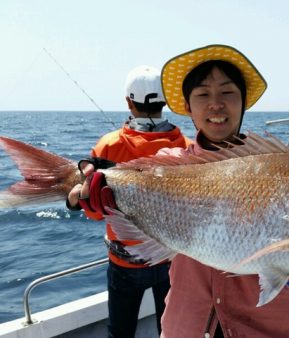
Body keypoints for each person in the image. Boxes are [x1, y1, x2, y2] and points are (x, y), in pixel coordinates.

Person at [70, 45, 289, 338]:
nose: (216, 104)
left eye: (227, 93)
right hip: (187, 326)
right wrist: (95, 195)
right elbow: (128, 183)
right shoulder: (171, 163)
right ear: (187, 105)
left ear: (244, 100)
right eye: (203, 95)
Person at [67, 65, 191, 338]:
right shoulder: (186, 146)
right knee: (169, 329)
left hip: (124, 262)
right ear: (165, 101)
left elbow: (96, 213)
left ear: (128, 102)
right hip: (171, 258)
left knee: (120, 332)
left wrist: (75, 199)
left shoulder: (107, 146)